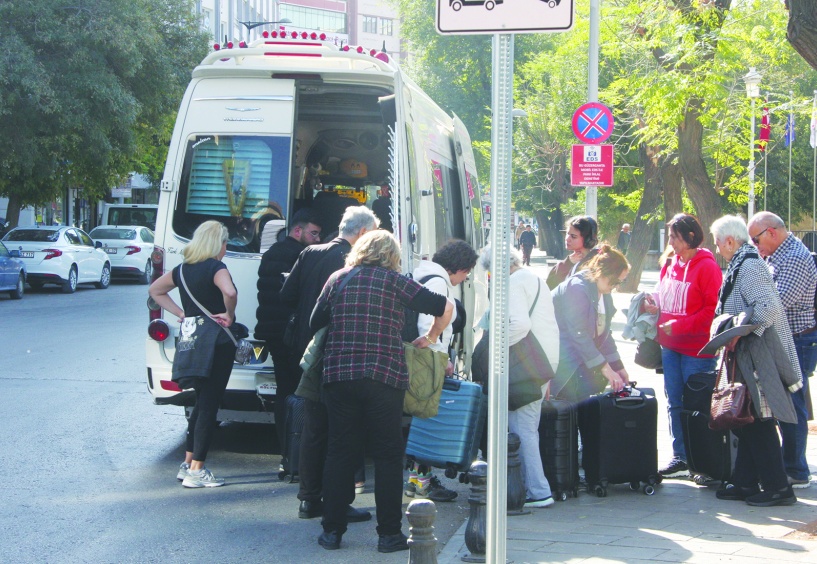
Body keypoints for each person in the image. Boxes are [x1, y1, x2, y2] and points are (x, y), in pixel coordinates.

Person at [313, 230, 454, 552]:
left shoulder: (338, 278)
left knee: (339, 451)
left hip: (339, 375)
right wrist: (430, 338)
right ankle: (389, 534)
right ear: (392, 256)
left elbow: (313, 322)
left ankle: (332, 532)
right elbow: (445, 307)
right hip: (384, 377)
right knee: (388, 455)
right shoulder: (396, 282)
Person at [279, 206, 377, 521]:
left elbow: (286, 296)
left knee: (314, 427)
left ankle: (308, 498)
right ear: (362, 233)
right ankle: (338, 501)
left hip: (305, 351)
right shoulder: (352, 264)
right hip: (338, 352)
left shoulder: (310, 252)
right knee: (342, 429)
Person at [710, 215, 802, 507]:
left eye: (717, 243)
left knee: (758, 421)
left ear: (728, 241)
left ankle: (778, 488)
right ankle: (745, 481)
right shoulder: (743, 262)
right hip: (750, 357)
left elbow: (769, 308)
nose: (715, 249)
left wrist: (737, 335)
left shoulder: (748, 265)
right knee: (747, 418)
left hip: (758, 357)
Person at [148, 220, 237, 488]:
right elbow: (229, 291)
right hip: (216, 343)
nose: (226, 248)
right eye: (225, 242)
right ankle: (197, 469)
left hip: (191, 340)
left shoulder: (182, 270)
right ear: (218, 243)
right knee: (210, 404)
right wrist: (229, 314)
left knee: (200, 402)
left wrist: (180, 313)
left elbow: (155, 290)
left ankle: (187, 463)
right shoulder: (217, 267)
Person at [478, 245, 560, 508]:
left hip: (525, 367)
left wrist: (494, 350)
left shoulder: (512, 283)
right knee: (525, 427)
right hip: (542, 362)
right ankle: (524, 487)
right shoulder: (534, 278)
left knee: (522, 429)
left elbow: (520, 326)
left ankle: (538, 491)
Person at [643, 214, 722, 479]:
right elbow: (664, 296)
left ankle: (703, 461)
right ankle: (681, 457)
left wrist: (679, 325)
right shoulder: (670, 263)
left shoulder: (707, 267)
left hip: (697, 349)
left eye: (675, 237)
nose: (671, 243)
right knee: (674, 402)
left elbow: (711, 311)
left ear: (690, 237)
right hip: (670, 346)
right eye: (670, 237)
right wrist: (654, 306)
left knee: (697, 405)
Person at [405, 239, 479, 502]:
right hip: (426, 362)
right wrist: (442, 358)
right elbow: (429, 325)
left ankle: (418, 480)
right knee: (425, 420)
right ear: (458, 267)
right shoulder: (437, 282)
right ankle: (421, 483)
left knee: (420, 421)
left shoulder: (423, 273)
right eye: (467, 271)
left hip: (417, 360)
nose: (466, 277)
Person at [748, 211, 816, 489]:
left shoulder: (795, 259)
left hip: (797, 341)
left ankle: (796, 470)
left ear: (771, 233)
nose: (755, 246)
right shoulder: (778, 256)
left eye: (756, 239)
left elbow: (776, 303)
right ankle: (791, 464)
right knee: (787, 405)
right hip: (788, 340)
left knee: (792, 407)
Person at [255, 208, 322, 459]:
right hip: (292, 332)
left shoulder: (272, 252)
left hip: (272, 331)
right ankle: (298, 448)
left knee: (284, 389)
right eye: (313, 234)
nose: (317, 239)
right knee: (300, 390)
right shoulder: (302, 256)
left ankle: (285, 446)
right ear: (297, 231)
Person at [551, 244, 631, 402]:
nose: (616, 287)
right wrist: (606, 369)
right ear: (601, 272)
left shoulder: (603, 291)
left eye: (620, 283)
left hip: (578, 362)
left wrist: (618, 366)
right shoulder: (577, 289)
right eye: (615, 281)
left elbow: (605, 333)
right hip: (562, 362)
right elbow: (579, 335)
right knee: (569, 416)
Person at [546, 215, 600, 290]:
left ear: (588, 239)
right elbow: (550, 289)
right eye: (567, 234)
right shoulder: (565, 263)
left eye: (573, 236)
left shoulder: (598, 263)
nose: (567, 239)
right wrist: (567, 263)